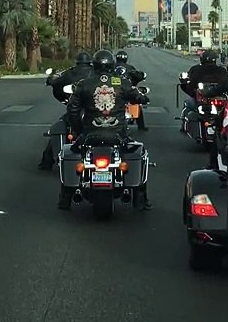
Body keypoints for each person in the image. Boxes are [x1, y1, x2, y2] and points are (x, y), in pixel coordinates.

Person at [62, 49, 152, 210]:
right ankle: (140, 199)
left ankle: (65, 198)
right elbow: (138, 97)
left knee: (71, 152)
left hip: (90, 133)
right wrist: (143, 97)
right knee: (140, 153)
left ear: (94, 65)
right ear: (112, 65)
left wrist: (79, 129)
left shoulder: (85, 84)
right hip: (118, 133)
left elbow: (72, 110)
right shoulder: (122, 82)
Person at [37, 51, 96, 170]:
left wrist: (51, 81)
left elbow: (57, 82)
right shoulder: (96, 72)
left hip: (78, 108)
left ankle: (46, 162)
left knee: (61, 125)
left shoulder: (71, 72)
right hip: (93, 108)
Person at [114, 50, 149, 131]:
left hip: (113, 90)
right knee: (138, 102)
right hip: (126, 90)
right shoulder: (130, 68)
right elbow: (138, 76)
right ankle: (141, 126)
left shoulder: (110, 67)